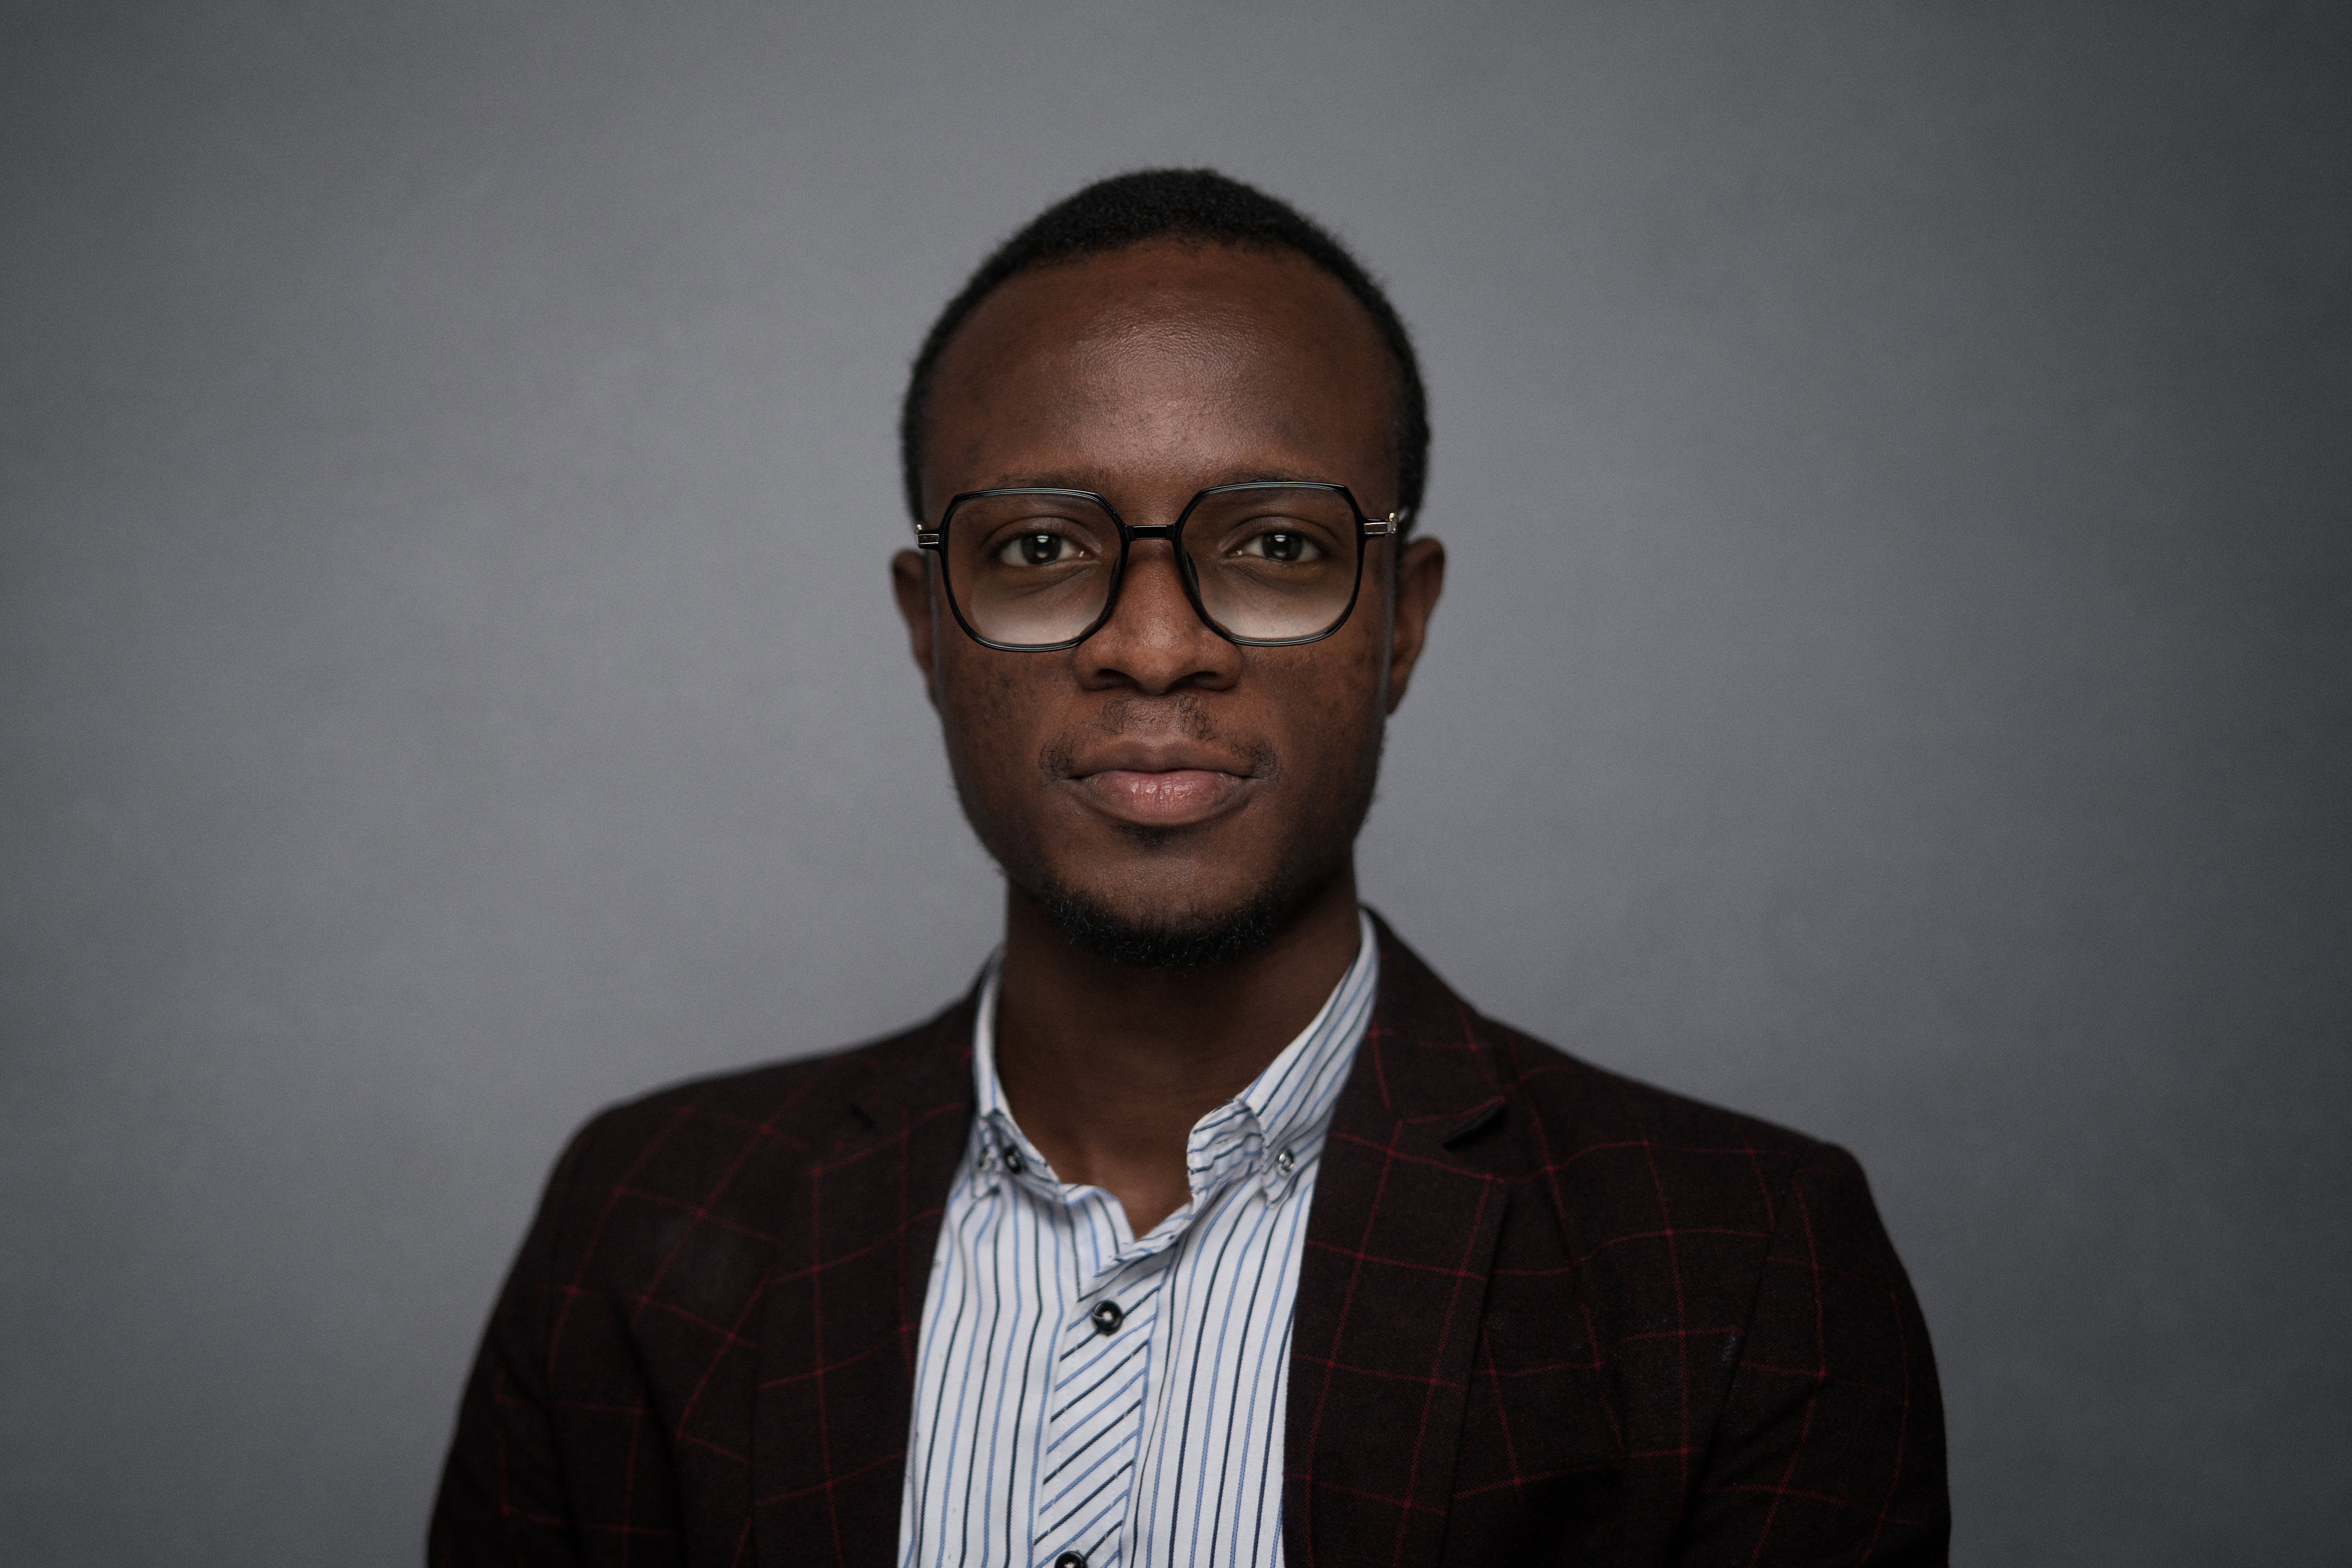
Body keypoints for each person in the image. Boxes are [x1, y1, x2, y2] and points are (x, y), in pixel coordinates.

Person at [430, 168, 1948, 1568]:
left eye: (1277, 547)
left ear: (1402, 621)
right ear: (927, 629)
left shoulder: (1740, 1267)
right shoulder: (646, 1225)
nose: (1155, 648)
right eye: (1039, 549)